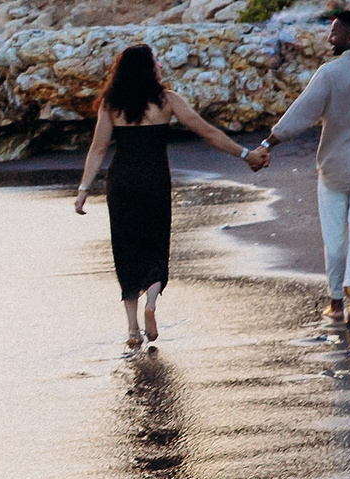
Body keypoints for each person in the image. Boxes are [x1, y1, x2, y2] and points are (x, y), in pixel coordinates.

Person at [73, 44, 257, 349]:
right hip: (155, 181)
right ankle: (152, 304)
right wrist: (245, 153)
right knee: (156, 244)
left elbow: (98, 149)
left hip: (122, 184)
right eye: (156, 61)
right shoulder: (167, 100)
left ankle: (133, 330)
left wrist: (83, 190)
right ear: (149, 68)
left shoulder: (110, 104)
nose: (160, 65)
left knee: (126, 249)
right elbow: (206, 131)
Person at [245, 8, 350, 330]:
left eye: (334, 32)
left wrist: (267, 145)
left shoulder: (330, 73)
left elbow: (300, 114)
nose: (330, 38)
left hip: (335, 167)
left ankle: (336, 302)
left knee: (335, 237)